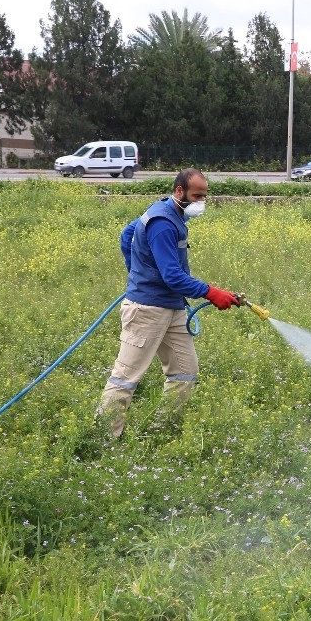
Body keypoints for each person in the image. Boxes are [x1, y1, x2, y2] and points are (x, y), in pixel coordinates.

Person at [97, 167, 239, 438]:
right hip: (147, 311)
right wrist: (211, 292)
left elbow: (128, 235)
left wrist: (140, 269)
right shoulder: (163, 223)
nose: (201, 202)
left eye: (204, 196)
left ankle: (160, 432)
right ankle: (102, 440)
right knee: (125, 378)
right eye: (196, 196)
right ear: (178, 191)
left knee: (185, 372)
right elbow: (173, 276)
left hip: (172, 308)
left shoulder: (168, 213)